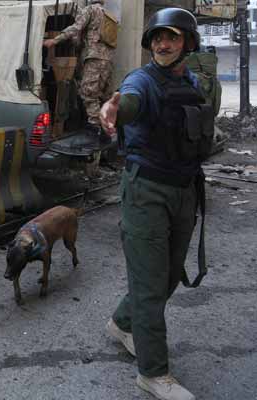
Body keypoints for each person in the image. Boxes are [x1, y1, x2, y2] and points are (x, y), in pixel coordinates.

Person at [100, 8, 213, 400]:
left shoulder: (193, 80)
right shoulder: (141, 80)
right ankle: (153, 372)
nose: (163, 44)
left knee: (167, 275)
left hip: (184, 189)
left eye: (173, 38)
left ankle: (121, 323)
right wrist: (115, 109)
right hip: (147, 190)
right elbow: (129, 101)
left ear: (188, 43)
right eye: (157, 38)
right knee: (150, 285)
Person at [43, 0, 116, 141]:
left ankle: (96, 129)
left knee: (88, 93)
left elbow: (76, 28)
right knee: (103, 95)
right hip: (108, 60)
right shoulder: (109, 15)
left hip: (94, 57)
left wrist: (55, 40)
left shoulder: (90, 10)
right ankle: (107, 129)